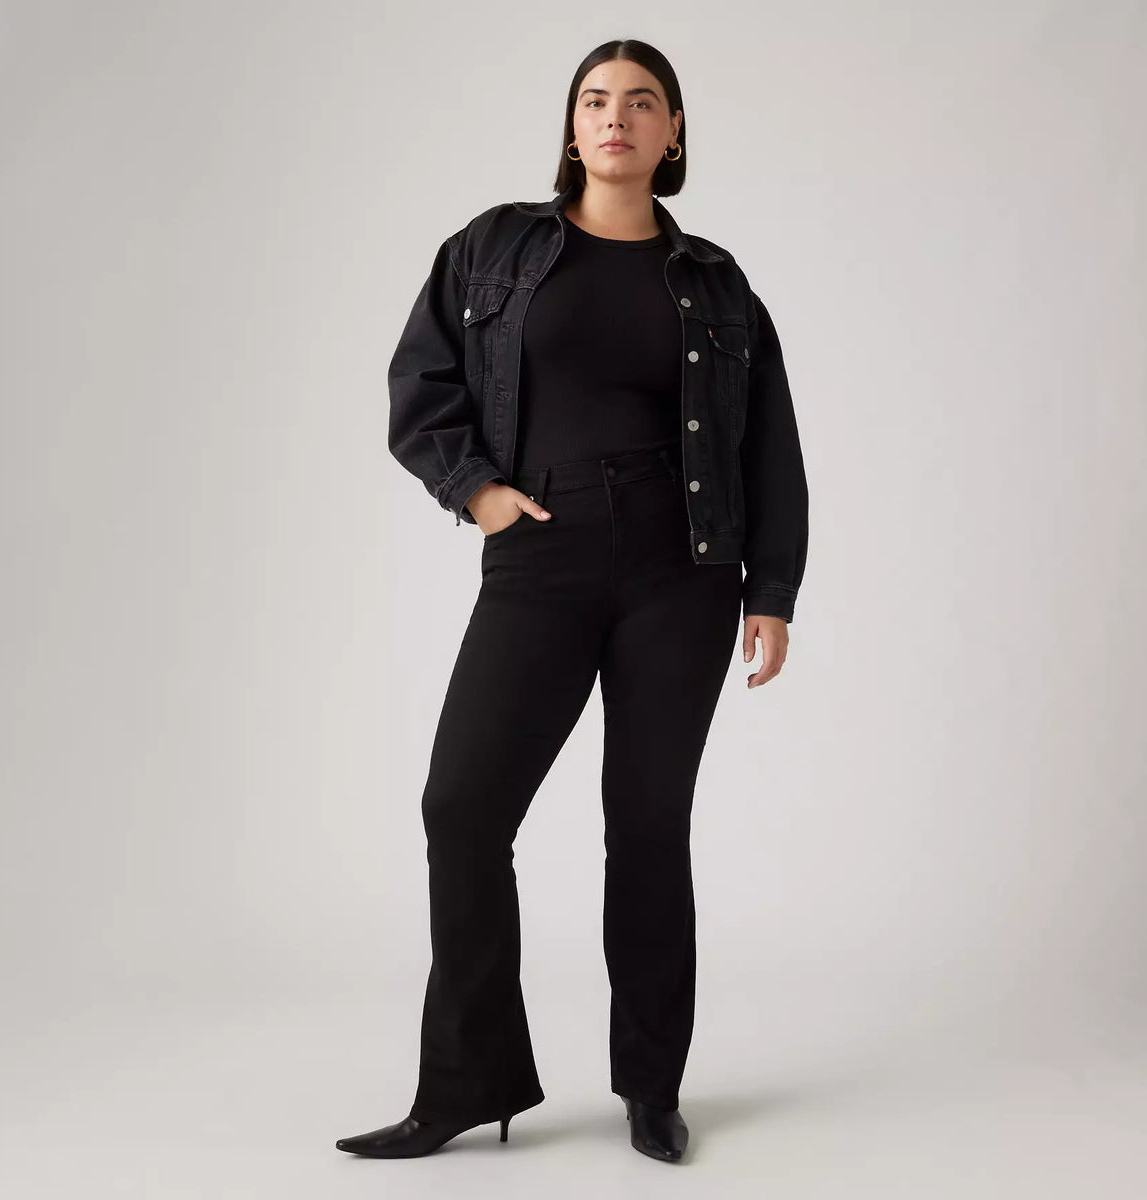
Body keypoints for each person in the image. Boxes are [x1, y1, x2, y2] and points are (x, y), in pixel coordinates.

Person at [335, 38, 808, 1164]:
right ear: (571, 124)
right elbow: (420, 379)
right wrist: (477, 490)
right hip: (541, 553)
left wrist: (773, 589)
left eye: (642, 102)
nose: (616, 117)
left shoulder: (716, 283)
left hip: (683, 567)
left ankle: (651, 1087)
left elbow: (768, 444)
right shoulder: (494, 247)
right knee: (462, 806)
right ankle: (468, 1082)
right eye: (596, 100)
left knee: (646, 825)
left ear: (673, 132)